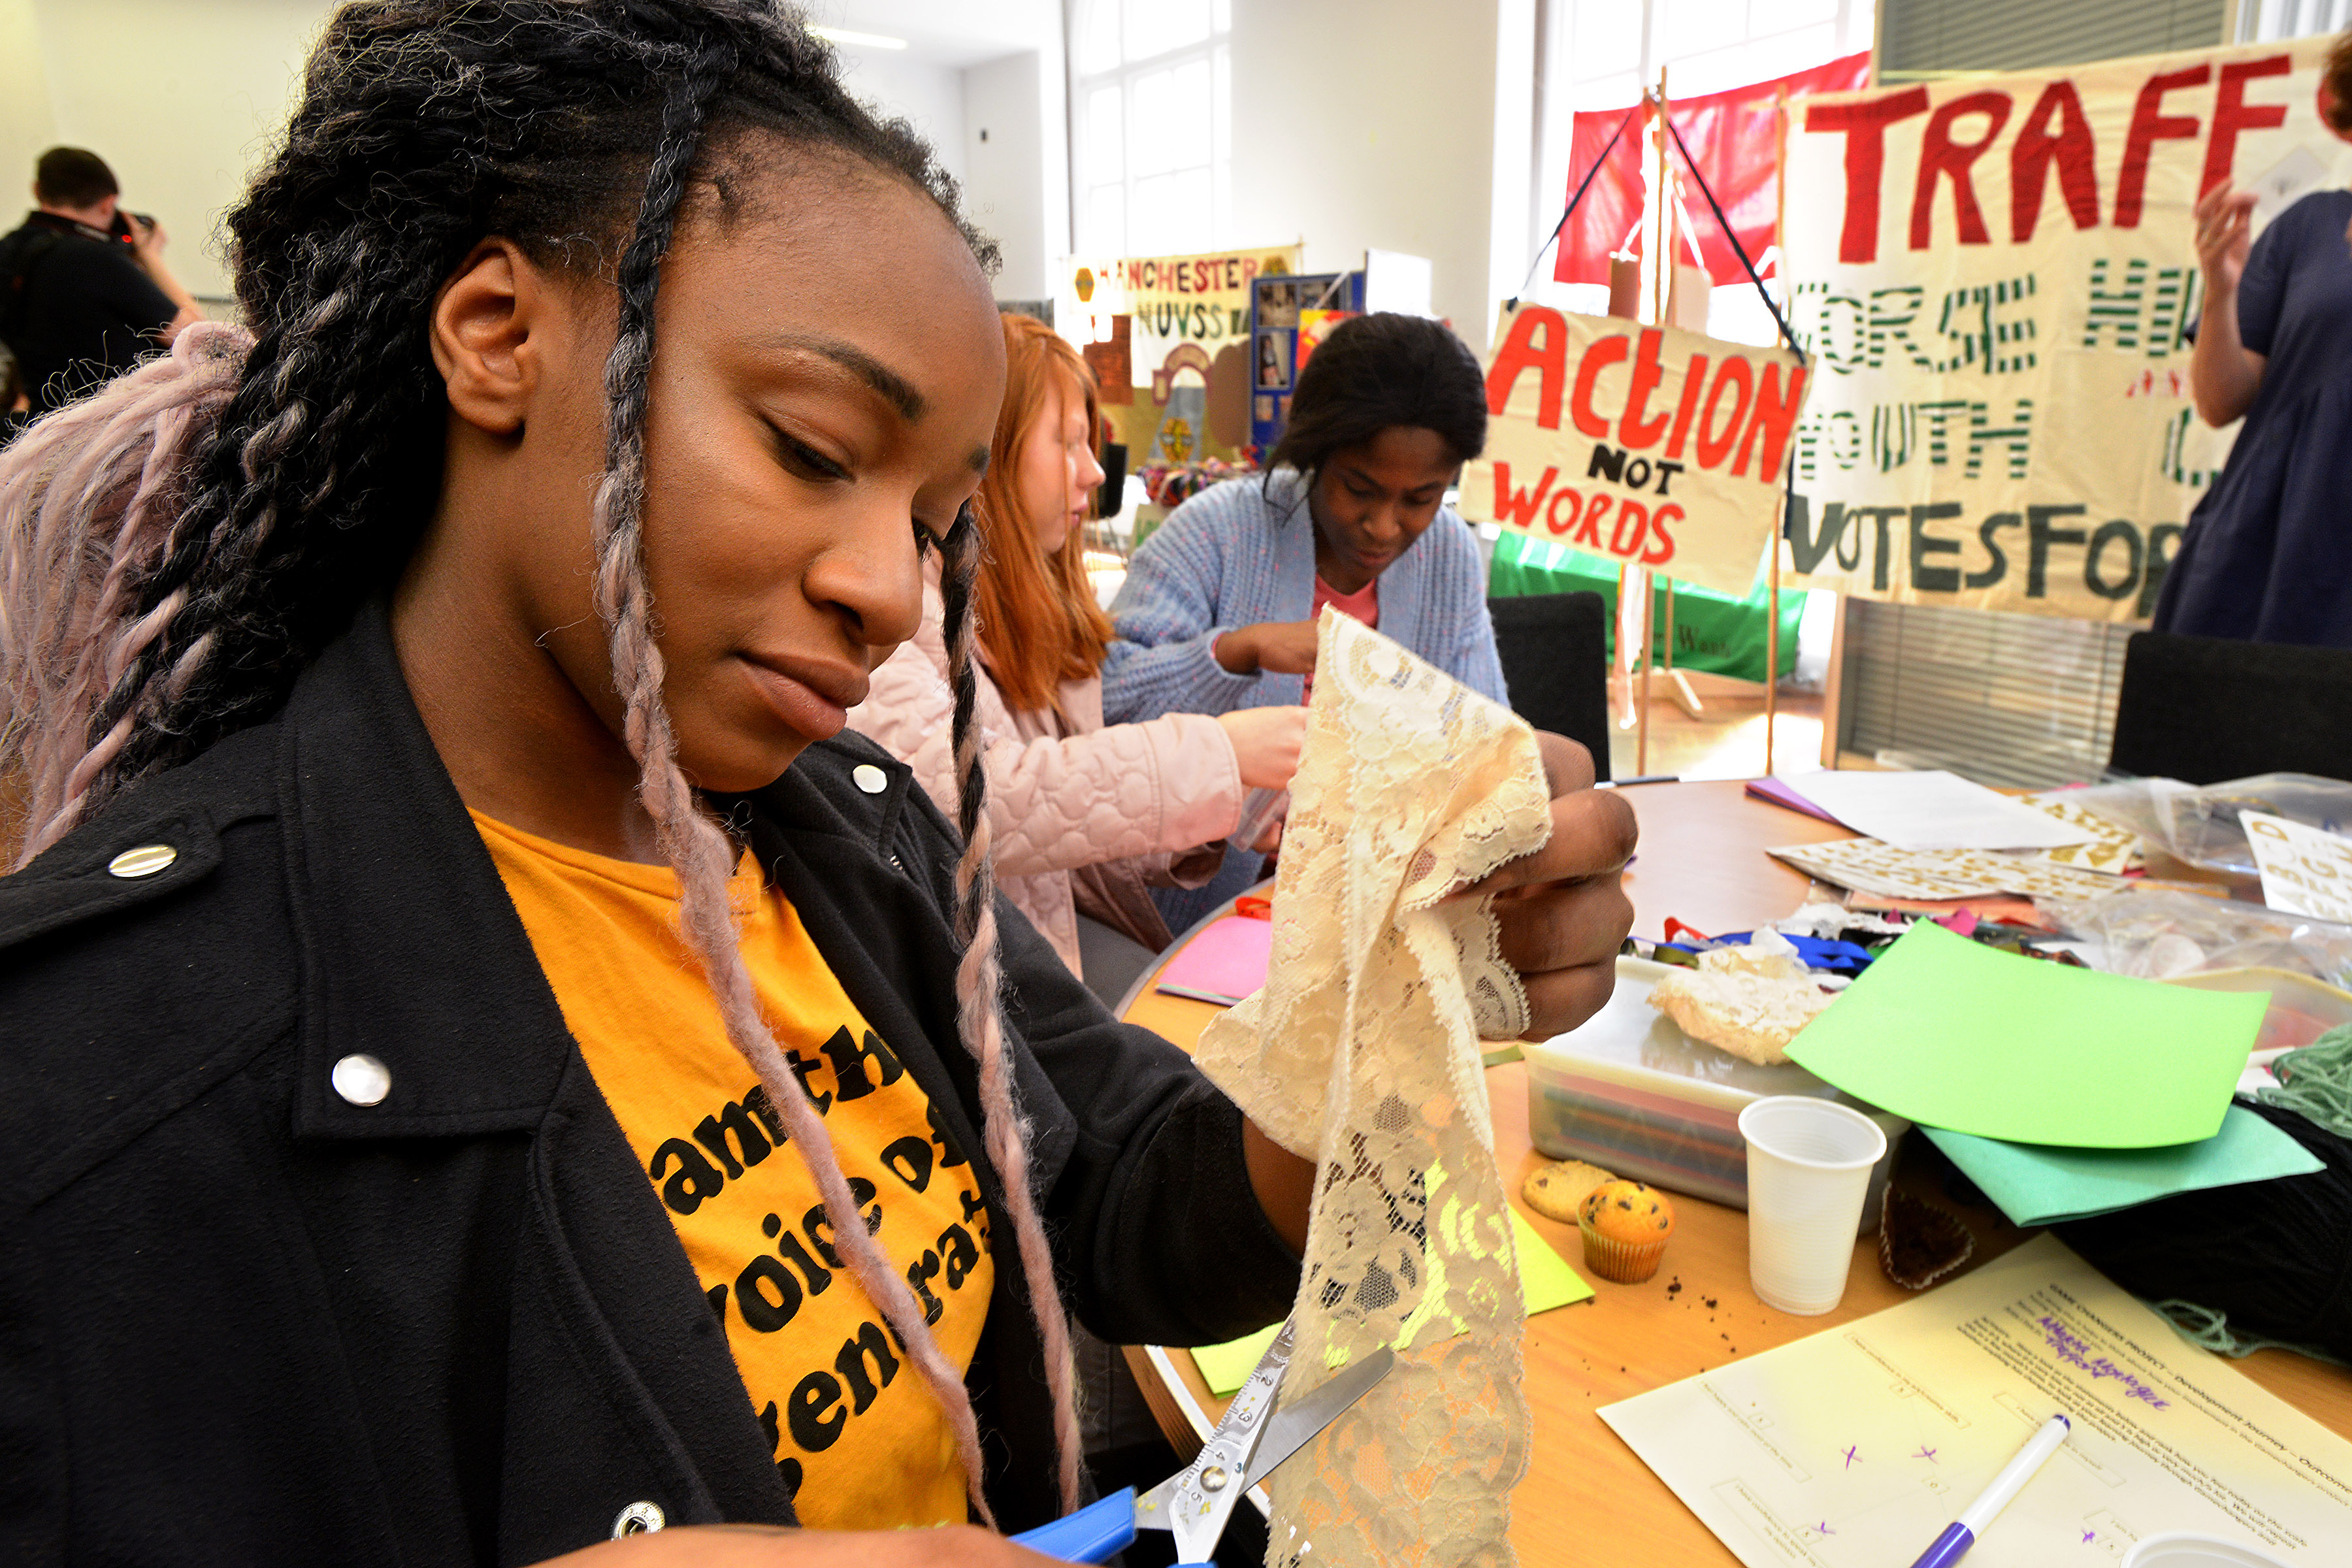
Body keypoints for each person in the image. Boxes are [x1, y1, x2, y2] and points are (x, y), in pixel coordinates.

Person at [0, 3, 1634, 1563]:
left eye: (932, 522)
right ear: (499, 335)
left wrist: (1375, 1011)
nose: (884, 589)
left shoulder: (848, 828)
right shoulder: (104, 1063)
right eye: (809, 447)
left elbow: (1123, 1190)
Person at [847, 313, 1306, 1005]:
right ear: (985, 454)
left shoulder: (1024, 612)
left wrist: (1227, 798)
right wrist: (1219, 753)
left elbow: (1067, 830)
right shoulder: (898, 608)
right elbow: (977, 800)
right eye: (1067, 442)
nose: (1093, 471)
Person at [1103, 310, 1509, 928]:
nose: (1384, 526)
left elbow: (1489, 746)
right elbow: (1107, 706)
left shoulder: (1446, 554)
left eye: (1421, 498)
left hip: (1371, 911)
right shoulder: (1215, 533)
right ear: (1316, 453)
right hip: (1192, 924)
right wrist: (1235, 652)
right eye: (1359, 489)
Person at [2151, 30, 2352, 645]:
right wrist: (2221, 288)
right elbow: (2219, 403)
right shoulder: (2306, 226)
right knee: (2222, 705)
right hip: (2263, 541)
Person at [0, 146, 201, 417]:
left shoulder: (8, 251)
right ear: (108, 204)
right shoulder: (93, 257)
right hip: (118, 420)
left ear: (36, 190)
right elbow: (195, 337)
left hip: (47, 419)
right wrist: (150, 256)